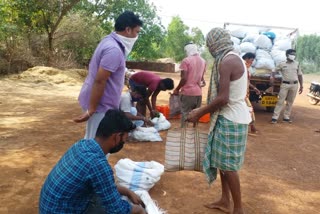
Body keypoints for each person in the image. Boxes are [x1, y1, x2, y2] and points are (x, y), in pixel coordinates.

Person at [187, 28, 251, 214]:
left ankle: (238, 209)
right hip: (228, 117)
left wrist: (200, 112)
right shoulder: (232, 57)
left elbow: (223, 98)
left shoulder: (227, 61)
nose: (210, 49)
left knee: (229, 167)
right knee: (222, 163)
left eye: (210, 45)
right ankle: (225, 200)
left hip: (232, 118)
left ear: (216, 43)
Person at [39, 109, 146, 214]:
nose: (123, 143)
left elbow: (104, 186)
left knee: (101, 197)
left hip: (50, 207)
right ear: (117, 137)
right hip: (63, 209)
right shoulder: (98, 164)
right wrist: (139, 210)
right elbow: (117, 210)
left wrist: (127, 192)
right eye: (124, 140)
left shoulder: (82, 144)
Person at [73, 11, 143, 139]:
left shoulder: (109, 40)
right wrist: (92, 109)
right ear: (128, 30)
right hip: (101, 105)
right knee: (99, 143)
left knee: (93, 139)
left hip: (99, 102)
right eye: (137, 32)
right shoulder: (114, 50)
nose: (137, 36)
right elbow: (100, 80)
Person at [173, 43, 207, 127]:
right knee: (196, 114)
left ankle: (184, 133)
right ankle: (194, 132)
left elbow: (184, 78)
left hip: (188, 92)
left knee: (185, 113)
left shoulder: (186, 60)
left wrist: (177, 89)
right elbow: (202, 79)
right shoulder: (203, 61)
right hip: (198, 93)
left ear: (187, 50)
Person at [270, 49, 303, 124]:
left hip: (294, 85)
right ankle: (275, 117)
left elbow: (300, 75)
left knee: (290, 101)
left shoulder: (297, 63)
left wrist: (301, 85)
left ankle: (286, 117)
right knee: (280, 101)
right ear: (287, 55)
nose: (293, 56)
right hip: (285, 85)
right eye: (291, 54)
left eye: (294, 54)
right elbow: (273, 70)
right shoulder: (282, 64)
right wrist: (272, 78)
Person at [242, 52, 260, 133]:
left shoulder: (247, 68)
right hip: (242, 93)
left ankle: (251, 126)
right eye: (251, 60)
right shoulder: (242, 67)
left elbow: (247, 81)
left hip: (245, 93)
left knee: (247, 109)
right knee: (249, 108)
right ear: (247, 58)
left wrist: (254, 88)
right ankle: (252, 126)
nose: (252, 62)